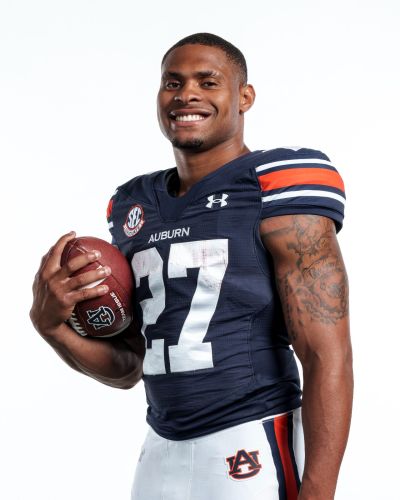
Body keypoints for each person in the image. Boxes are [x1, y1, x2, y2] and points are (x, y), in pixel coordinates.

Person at [30, 33, 353, 500]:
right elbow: (128, 367)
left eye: (208, 81)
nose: (187, 95)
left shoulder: (275, 183)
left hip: (252, 437)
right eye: (173, 83)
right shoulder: (133, 204)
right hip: (159, 448)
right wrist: (52, 327)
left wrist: (319, 490)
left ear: (244, 97)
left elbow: (326, 353)